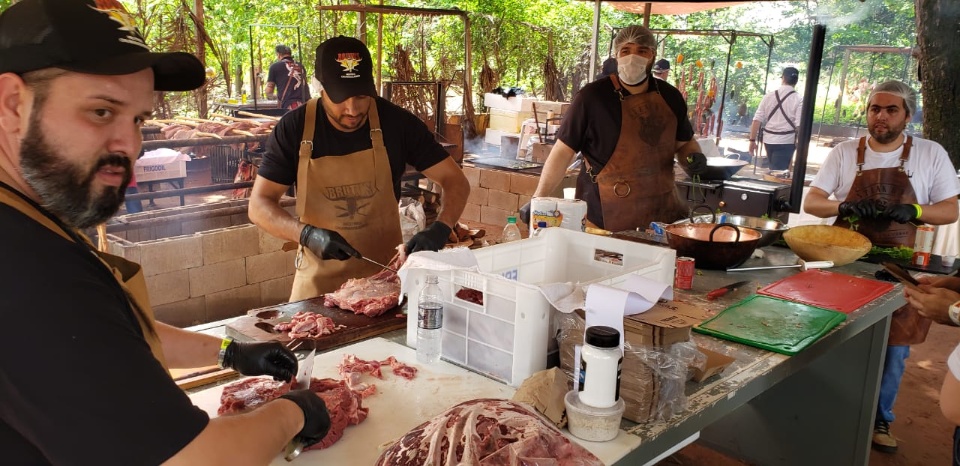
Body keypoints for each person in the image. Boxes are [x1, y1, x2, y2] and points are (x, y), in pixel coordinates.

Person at [0, 0, 332, 463]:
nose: (130, 145)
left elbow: (107, 332)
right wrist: (293, 413)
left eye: (137, 119)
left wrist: (230, 353)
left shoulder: (26, 215)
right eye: (101, 112)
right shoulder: (24, 266)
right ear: (13, 103)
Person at [248, 36, 470, 301]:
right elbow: (259, 205)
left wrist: (442, 227)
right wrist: (306, 234)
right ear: (320, 88)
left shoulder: (396, 123)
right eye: (340, 97)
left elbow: (455, 181)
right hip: (317, 287)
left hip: (385, 280)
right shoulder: (294, 128)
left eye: (361, 96)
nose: (352, 109)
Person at [803, 80, 960, 454]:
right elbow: (813, 202)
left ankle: (879, 417)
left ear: (908, 114)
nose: (881, 116)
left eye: (891, 110)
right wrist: (842, 207)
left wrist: (917, 211)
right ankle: (827, 406)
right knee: (832, 333)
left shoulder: (929, 153)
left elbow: (951, 209)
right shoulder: (844, 152)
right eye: (875, 108)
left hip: (900, 264)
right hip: (846, 259)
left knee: (894, 344)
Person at [520, 25, 706, 232]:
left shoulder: (670, 97)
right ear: (616, 55)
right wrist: (538, 198)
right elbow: (563, 152)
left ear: (652, 56)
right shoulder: (592, 97)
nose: (633, 57)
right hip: (602, 215)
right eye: (626, 50)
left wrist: (693, 156)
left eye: (642, 51)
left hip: (662, 213)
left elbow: (685, 143)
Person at [749, 67, 803, 171]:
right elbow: (799, 125)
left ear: (783, 78)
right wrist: (801, 146)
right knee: (778, 172)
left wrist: (752, 140)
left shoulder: (768, 96)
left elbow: (757, 119)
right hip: (786, 141)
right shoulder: (799, 99)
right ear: (796, 81)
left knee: (775, 169)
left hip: (768, 140)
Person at [265, 44, 310, 110]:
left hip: (291, 107)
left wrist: (276, 96)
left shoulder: (275, 67)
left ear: (278, 55)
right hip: (307, 105)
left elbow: (269, 91)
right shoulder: (301, 66)